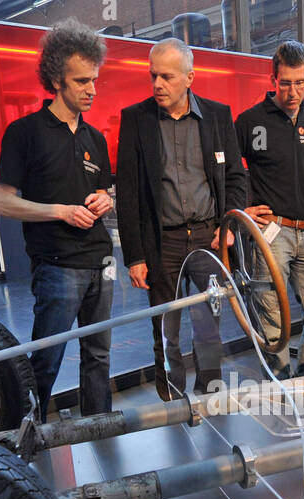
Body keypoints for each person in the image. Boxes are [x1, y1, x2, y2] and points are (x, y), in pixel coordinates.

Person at [0, 19, 115, 415]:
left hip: (102, 261)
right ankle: (29, 432)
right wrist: (59, 211)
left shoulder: (95, 138)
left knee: (98, 355)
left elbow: (104, 189)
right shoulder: (24, 132)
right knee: (46, 359)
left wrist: (104, 200)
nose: (91, 90)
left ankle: (100, 425)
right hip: (58, 266)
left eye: (94, 80)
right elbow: (4, 203)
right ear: (56, 80)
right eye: (81, 81)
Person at [116, 38, 247, 400]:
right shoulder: (136, 119)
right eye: (153, 76)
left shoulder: (218, 116)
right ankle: (172, 398)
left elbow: (236, 176)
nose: (157, 84)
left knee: (209, 324)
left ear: (189, 77)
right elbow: (127, 193)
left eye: (167, 77)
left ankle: (210, 392)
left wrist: (228, 224)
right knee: (166, 328)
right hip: (163, 242)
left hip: (209, 237)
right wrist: (136, 256)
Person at [234, 40, 304, 379]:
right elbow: (232, 171)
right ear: (273, 79)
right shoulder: (250, 121)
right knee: (272, 319)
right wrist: (246, 207)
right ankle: (277, 383)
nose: (293, 91)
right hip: (270, 233)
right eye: (286, 82)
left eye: (300, 82)